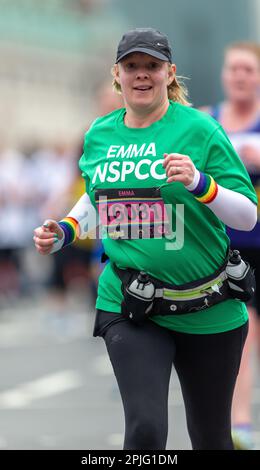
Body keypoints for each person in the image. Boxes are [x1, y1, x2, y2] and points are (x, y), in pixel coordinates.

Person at [33, 28, 258, 450]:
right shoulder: (100, 134)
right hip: (131, 301)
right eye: (131, 66)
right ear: (116, 75)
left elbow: (246, 216)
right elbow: (97, 198)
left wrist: (200, 184)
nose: (141, 75)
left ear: (169, 73)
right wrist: (64, 230)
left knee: (211, 438)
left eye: (151, 66)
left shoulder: (201, 130)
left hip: (206, 304)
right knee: (146, 430)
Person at [201, 41, 260, 450]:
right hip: (223, 244)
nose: (239, 76)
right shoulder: (207, 121)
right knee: (243, 329)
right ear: (223, 74)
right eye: (233, 69)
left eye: (248, 70)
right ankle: (239, 421)